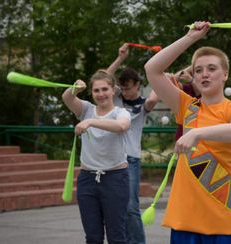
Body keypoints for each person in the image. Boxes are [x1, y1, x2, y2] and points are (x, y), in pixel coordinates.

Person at [144, 21, 231, 243]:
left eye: (212, 69)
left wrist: (197, 134)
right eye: (198, 70)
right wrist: (190, 38)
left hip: (230, 214)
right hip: (187, 217)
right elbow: (152, 69)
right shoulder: (186, 107)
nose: (204, 74)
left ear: (225, 74)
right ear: (193, 76)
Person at [62, 70, 131, 243]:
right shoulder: (86, 109)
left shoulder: (121, 113)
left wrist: (91, 122)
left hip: (115, 179)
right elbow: (67, 98)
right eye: (96, 90)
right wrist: (75, 89)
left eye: (105, 89)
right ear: (92, 93)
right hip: (87, 179)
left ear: (113, 90)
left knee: (117, 236)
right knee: (93, 237)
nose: (101, 94)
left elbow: (121, 126)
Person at [107, 43, 159, 244]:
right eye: (123, 88)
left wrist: (162, 70)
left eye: (129, 88)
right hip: (110, 159)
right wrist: (120, 58)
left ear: (138, 85)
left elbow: (155, 97)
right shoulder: (116, 99)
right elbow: (102, 78)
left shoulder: (143, 105)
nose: (125, 92)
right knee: (114, 207)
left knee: (130, 206)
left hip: (130, 160)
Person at [167, 66, 201, 141]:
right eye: (198, 71)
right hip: (182, 137)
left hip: (199, 140)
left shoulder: (208, 91)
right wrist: (180, 74)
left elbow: (202, 91)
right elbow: (170, 81)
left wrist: (191, 80)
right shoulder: (188, 88)